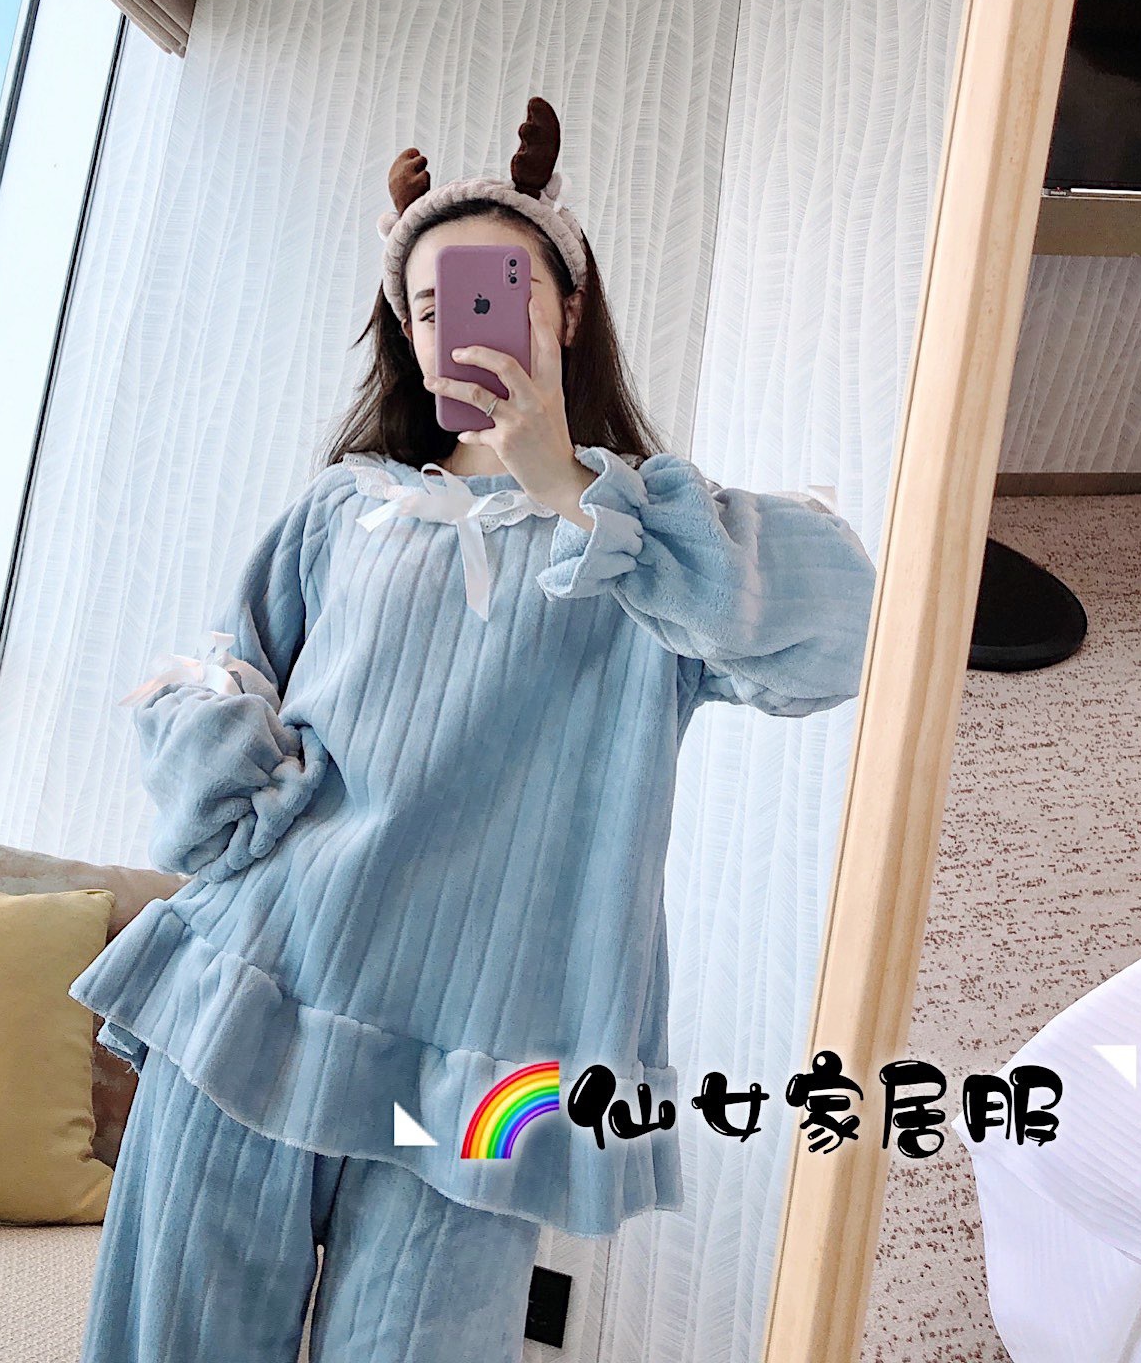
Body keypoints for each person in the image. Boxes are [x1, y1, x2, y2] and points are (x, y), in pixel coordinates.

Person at [69, 96, 879, 1363]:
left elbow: (847, 631)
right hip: (261, 995)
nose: (464, 325)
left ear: (566, 312)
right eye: (431, 305)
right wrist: (251, 775)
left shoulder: (654, 545)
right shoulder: (345, 512)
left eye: (499, 291)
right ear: (408, 331)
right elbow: (216, 687)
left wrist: (574, 490)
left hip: (486, 1073)